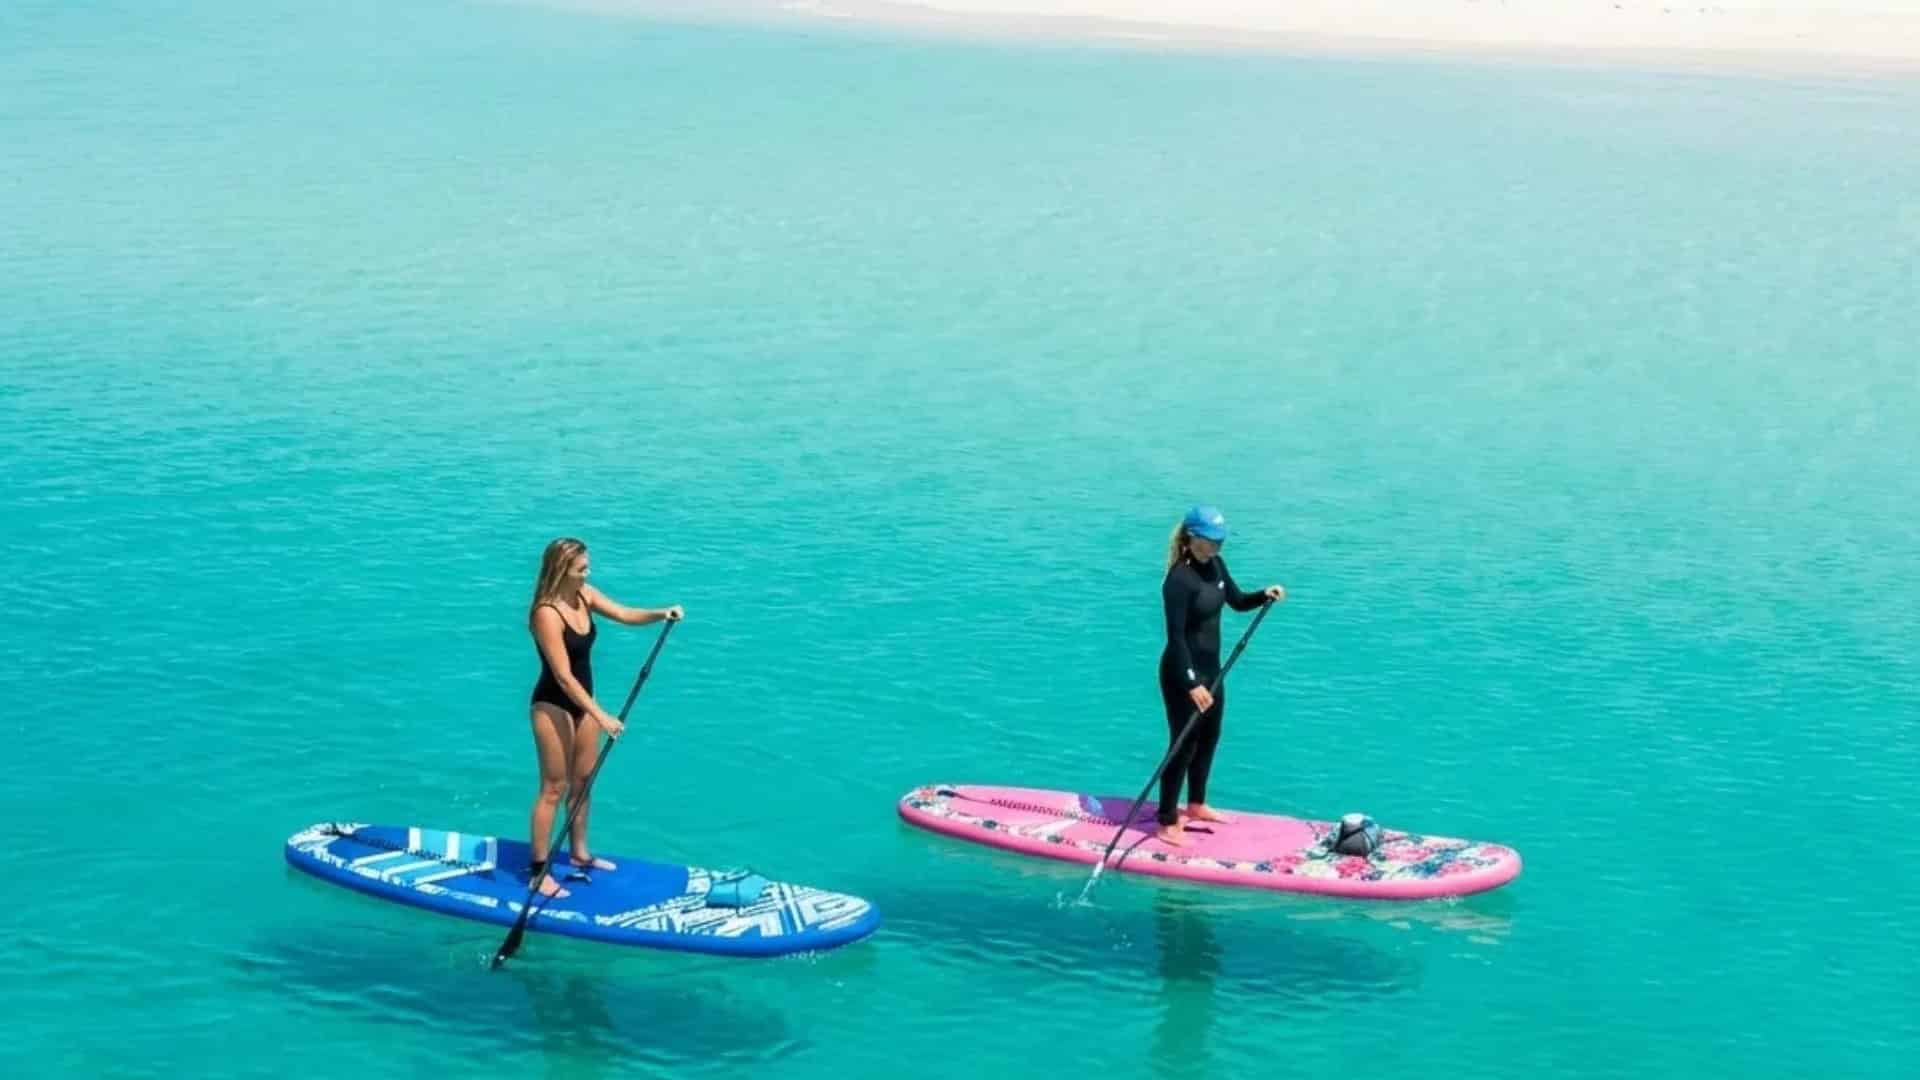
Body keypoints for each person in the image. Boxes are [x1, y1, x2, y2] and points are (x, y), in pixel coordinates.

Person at [525, 537, 682, 898]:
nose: (588, 572)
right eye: (581, 568)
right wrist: (602, 715)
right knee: (554, 788)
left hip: (586, 705)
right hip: (552, 705)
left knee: (583, 782)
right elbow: (563, 676)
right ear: (562, 569)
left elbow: (626, 614)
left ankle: (579, 854)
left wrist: (661, 613)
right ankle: (538, 871)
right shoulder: (546, 613)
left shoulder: (586, 595)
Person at [1154, 505, 1284, 847]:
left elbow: (1238, 601)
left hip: (1213, 671)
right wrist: (1191, 683)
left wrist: (1263, 596)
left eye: (1220, 541)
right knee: (1182, 746)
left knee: (1209, 737)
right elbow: (1176, 637)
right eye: (1211, 541)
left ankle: (1195, 804)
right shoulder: (1179, 580)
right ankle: (1167, 819)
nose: (1217, 547)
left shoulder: (1216, 566)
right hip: (1183, 674)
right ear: (1192, 538)